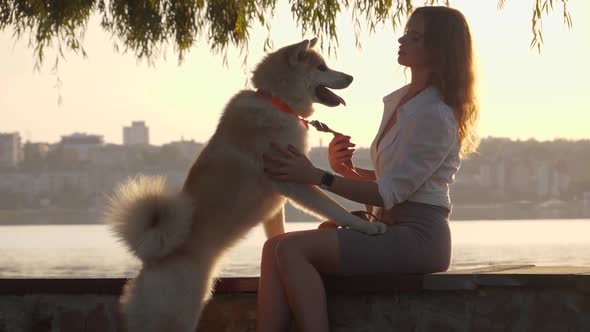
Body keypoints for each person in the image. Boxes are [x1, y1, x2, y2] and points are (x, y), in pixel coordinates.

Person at [257, 6, 479, 332]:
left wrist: (318, 175)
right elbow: (398, 181)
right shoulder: (402, 100)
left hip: (418, 238)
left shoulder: (435, 114)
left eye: (414, 37)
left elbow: (391, 194)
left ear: (438, 48)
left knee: (291, 249)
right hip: (389, 229)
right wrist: (346, 170)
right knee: (272, 246)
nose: (402, 40)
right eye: (406, 32)